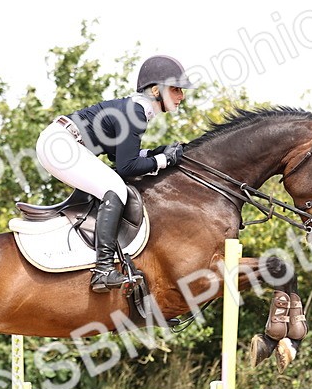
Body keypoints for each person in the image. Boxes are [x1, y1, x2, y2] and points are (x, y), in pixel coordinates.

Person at [36, 54, 195, 292]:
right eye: (175, 89)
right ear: (155, 90)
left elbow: (121, 156)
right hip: (61, 145)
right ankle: (103, 270)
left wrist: (156, 153)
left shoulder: (134, 109)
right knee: (115, 188)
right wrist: (164, 160)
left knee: (111, 184)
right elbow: (126, 167)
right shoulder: (135, 113)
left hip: (60, 142)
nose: (181, 96)